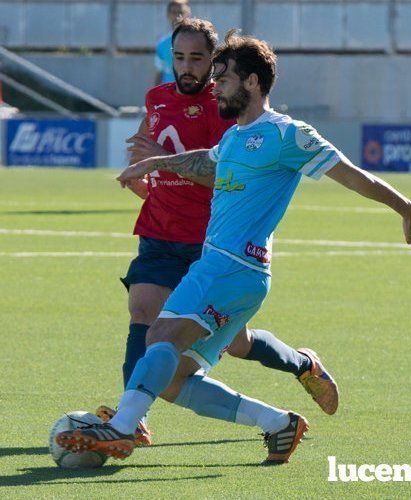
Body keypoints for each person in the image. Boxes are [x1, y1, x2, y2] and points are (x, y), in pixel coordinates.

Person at [58, 30, 411, 466]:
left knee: (158, 335)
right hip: (235, 274)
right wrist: (155, 162)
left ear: (252, 82)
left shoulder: (289, 135)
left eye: (224, 78)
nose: (215, 85)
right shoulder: (234, 137)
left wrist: (404, 205)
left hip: (230, 268)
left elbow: (351, 173)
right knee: (174, 382)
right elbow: (205, 162)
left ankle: (120, 429)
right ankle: (277, 423)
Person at [102, 18, 338, 448]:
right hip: (159, 228)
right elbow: (147, 138)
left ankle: (302, 364)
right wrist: (143, 168)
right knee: (143, 313)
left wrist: (162, 160)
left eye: (197, 59)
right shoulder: (157, 98)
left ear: (214, 64)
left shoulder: (227, 107)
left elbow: (227, 171)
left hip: (210, 240)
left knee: (238, 344)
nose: (187, 67)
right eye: (178, 58)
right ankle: (129, 418)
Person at [154, 1, 192, 86]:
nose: (178, 16)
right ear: (168, 15)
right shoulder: (162, 43)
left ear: (188, 14)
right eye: (174, 12)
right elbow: (160, 71)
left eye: (181, 12)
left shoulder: (197, 40)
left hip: (192, 92)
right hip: (168, 93)